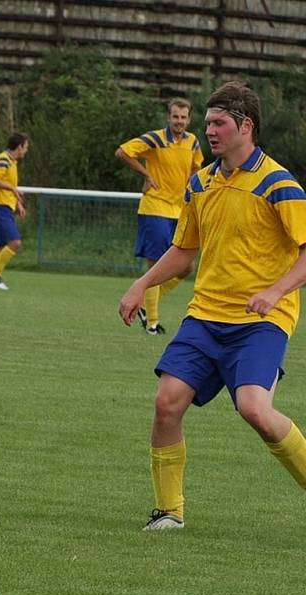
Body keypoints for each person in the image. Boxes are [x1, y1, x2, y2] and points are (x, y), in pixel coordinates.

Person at [118, 81, 306, 531]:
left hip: (262, 320)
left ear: (246, 125)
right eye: (207, 124)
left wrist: (276, 291)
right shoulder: (199, 182)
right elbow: (184, 250)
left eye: (219, 123)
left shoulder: (280, 184)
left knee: (255, 410)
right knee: (166, 403)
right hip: (205, 316)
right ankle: (169, 512)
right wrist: (141, 284)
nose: (210, 132)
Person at [116, 98, 204, 334]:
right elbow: (122, 152)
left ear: (189, 119)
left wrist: (191, 186)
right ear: (168, 117)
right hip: (155, 207)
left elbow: (197, 167)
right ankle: (152, 324)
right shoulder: (155, 138)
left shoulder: (193, 142)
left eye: (183, 117)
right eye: (175, 117)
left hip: (179, 210)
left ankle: (143, 300)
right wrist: (145, 173)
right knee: (155, 264)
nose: (179, 121)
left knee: (186, 268)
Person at [0, 132, 30, 291]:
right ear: (19, 146)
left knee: (0, 245)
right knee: (15, 242)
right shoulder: (3, 159)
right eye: (26, 147)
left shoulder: (12, 162)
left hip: (4, 207)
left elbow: (8, 186)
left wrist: (18, 205)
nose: (26, 150)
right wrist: (13, 189)